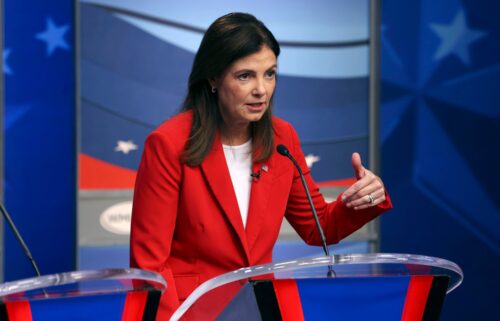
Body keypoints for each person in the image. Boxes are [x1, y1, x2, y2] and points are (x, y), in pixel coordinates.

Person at [130, 12, 392, 321]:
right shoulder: (168, 144)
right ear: (213, 78)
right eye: (245, 76)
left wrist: (363, 198)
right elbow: (150, 267)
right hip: (193, 314)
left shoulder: (283, 138)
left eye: (270, 74)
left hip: (262, 310)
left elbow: (318, 228)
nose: (261, 90)